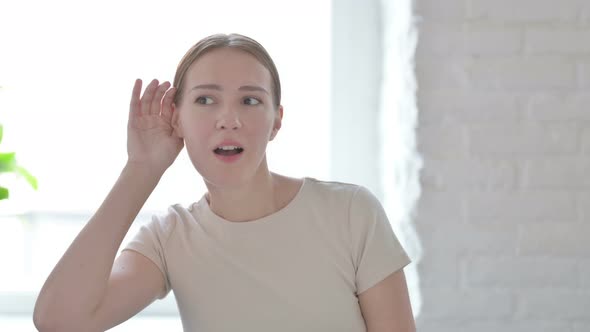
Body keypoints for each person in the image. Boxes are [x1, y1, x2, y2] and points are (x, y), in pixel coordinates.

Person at [33, 33, 415, 332]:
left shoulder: (351, 213)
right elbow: (61, 321)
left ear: (276, 120)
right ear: (176, 119)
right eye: (205, 100)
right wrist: (142, 168)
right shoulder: (169, 237)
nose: (228, 119)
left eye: (250, 101)